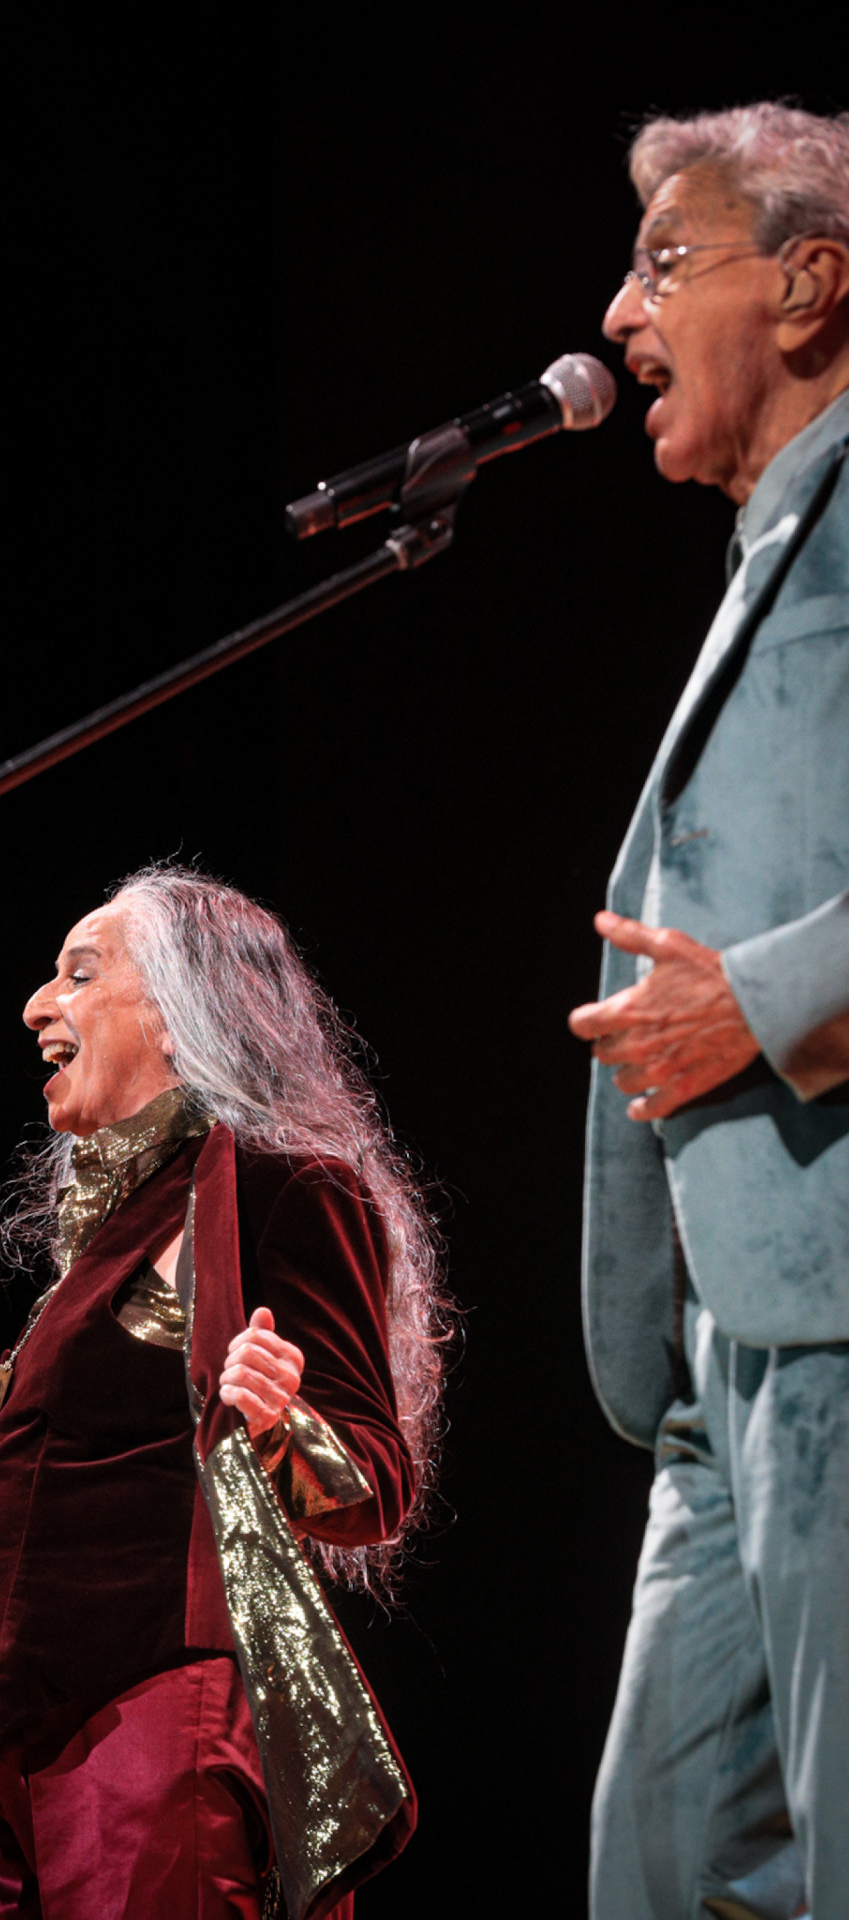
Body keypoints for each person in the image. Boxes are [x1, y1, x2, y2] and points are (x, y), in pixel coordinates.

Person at [0, 865, 448, 1919]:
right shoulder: (112, 1235)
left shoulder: (278, 1184)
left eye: (80, 974)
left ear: (182, 1004)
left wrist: (285, 1421)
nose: (36, 1005)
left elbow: (376, 1481)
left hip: (142, 1721)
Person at [567, 104, 849, 1918]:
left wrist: (759, 1001)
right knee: (658, 1872)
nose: (615, 311)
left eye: (670, 261)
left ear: (817, 286)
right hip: (719, 1368)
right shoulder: (770, 557)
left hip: (836, 1320)